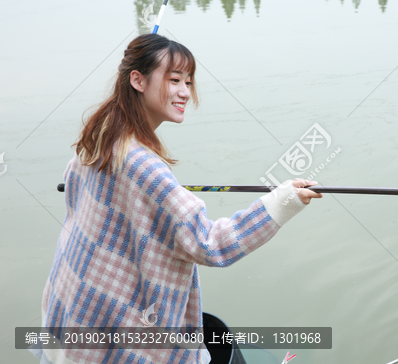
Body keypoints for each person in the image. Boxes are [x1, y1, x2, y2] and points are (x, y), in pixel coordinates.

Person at [31, 33, 322, 363]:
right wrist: (282, 202)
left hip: (72, 312)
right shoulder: (143, 166)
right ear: (137, 80)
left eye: (188, 80)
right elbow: (210, 244)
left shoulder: (101, 134)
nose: (185, 92)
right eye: (174, 80)